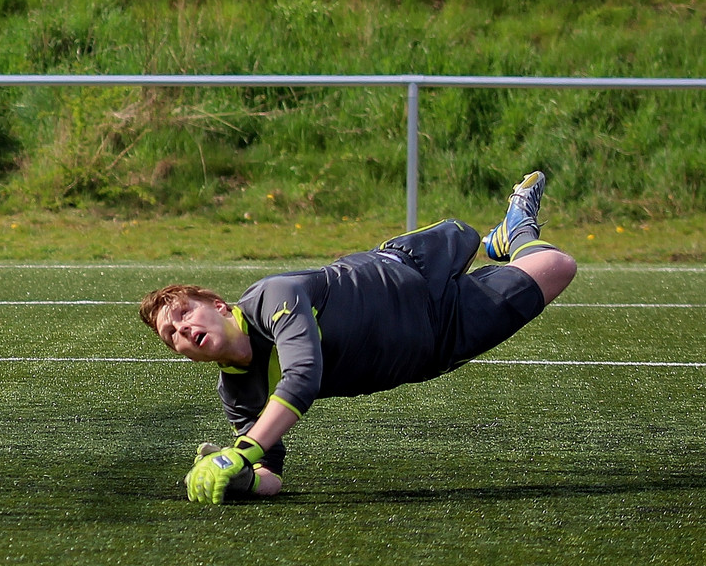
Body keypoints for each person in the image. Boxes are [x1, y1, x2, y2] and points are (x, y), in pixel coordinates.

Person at [139, 171, 578, 503]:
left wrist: (242, 449)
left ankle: (509, 231)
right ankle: (520, 233)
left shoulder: (273, 296)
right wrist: (246, 476)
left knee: (475, 240)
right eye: (171, 334)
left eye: (183, 313)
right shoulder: (239, 394)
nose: (182, 328)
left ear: (215, 304)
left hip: (408, 268)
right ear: (182, 354)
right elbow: (271, 473)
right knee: (558, 267)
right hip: (437, 339)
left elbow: (304, 374)